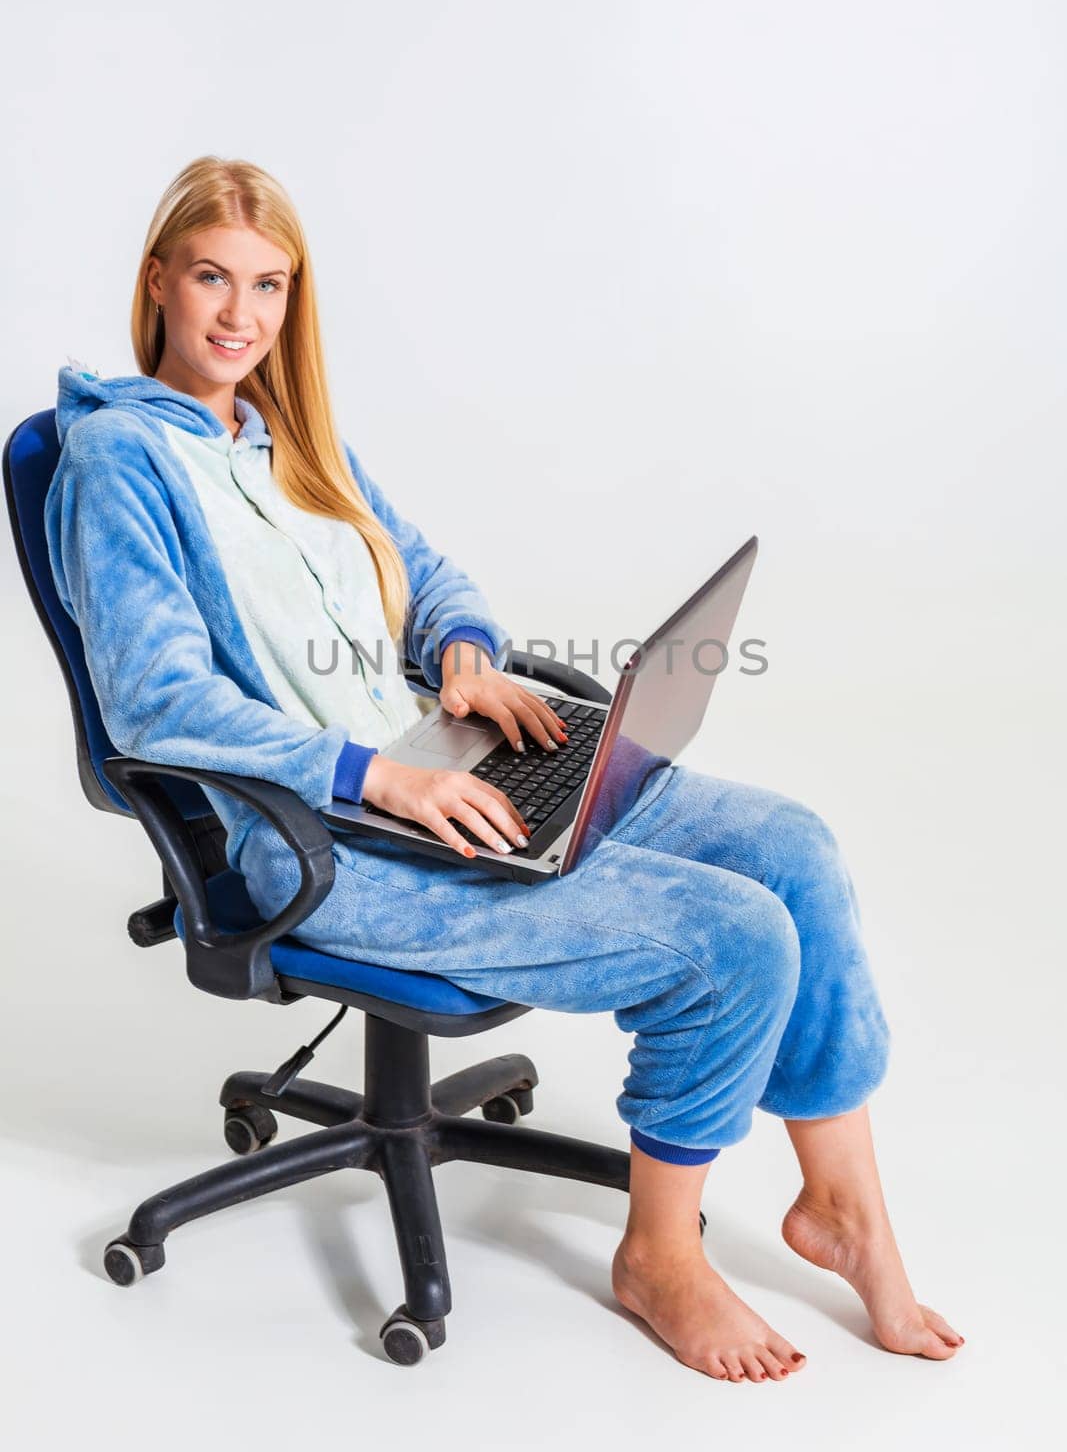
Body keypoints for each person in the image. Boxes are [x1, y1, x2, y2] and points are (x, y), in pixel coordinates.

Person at [45, 156, 964, 1383]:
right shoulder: (120, 463)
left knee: (788, 845)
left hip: (439, 765)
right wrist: (378, 775)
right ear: (159, 278)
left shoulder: (288, 436)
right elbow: (156, 703)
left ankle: (842, 1209)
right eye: (212, 276)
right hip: (324, 836)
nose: (237, 314)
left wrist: (464, 658)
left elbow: (425, 574)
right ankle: (657, 1257)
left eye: (268, 285)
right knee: (729, 938)